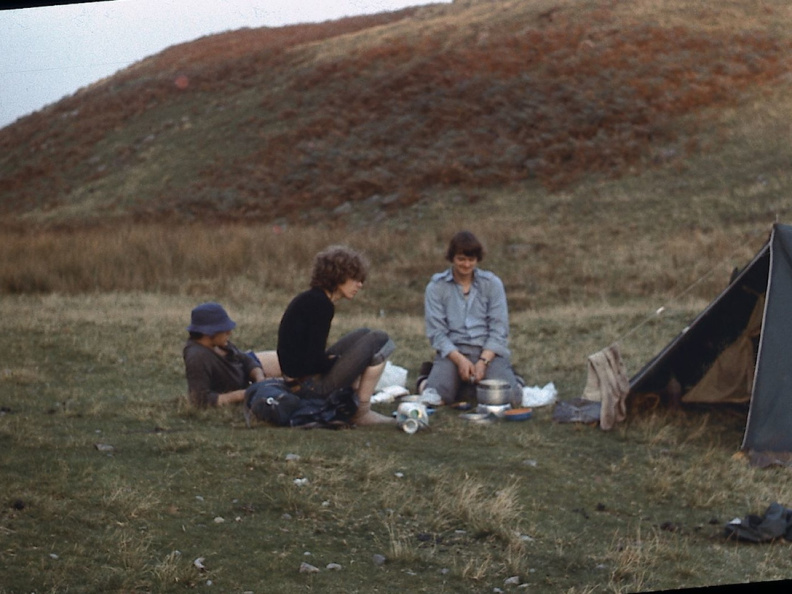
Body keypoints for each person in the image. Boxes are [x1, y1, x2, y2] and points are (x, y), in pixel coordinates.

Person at [277, 245, 396, 426]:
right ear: (338, 276)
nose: (360, 285)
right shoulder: (321, 305)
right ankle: (361, 412)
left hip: (301, 380)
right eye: (355, 279)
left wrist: (339, 360)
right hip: (307, 387)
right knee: (379, 339)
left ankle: (356, 399)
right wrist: (339, 361)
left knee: (363, 333)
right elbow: (312, 362)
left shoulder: (312, 298)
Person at [422, 230, 522, 406]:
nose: (466, 265)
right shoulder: (436, 287)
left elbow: (499, 328)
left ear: (477, 260)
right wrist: (460, 360)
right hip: (453, 353)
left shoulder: (492, 284)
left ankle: (511, 377)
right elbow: (437, 332)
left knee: (512, 399)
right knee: (434, 398)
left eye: (471, 260)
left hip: (487, 352)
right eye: (461, 259)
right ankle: (427, 377)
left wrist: (483, 361)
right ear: (452, 258)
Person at [183, 302, 281, 407]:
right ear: (208, 333)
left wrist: (259, 378)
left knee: (289, 361)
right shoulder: (198, 357)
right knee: (291, 384)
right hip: (243, 384)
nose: (229, 332)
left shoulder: (218, 344)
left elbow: (245, 359)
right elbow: (200, 400)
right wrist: (245, 393)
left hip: (248, 374)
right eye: (224, 330)